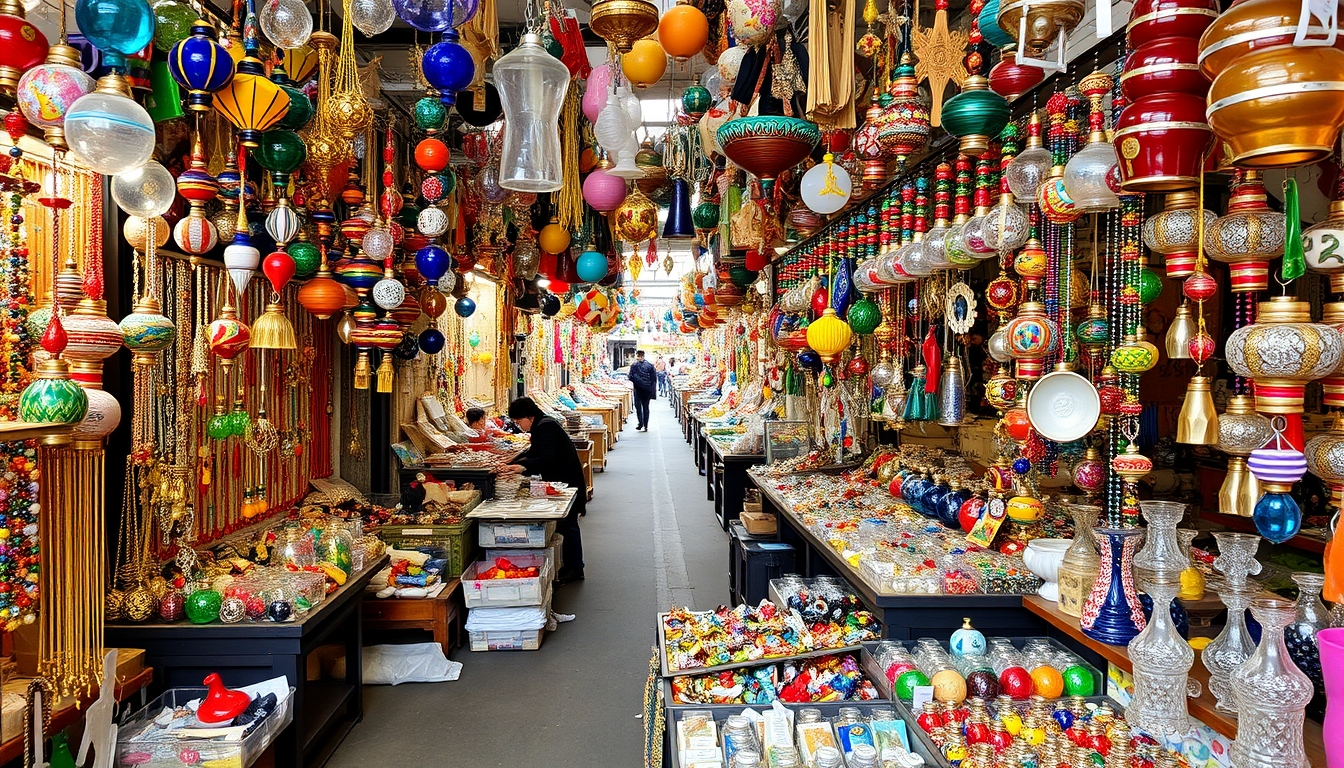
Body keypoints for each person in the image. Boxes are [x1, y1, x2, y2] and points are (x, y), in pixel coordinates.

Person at [502, 397, 585, 584]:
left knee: (568, 524)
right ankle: (572, 565)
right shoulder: (542, 425)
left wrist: (523, 467)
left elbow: (547, 457)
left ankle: (576, 568)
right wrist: (516, 462)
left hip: (566, 481)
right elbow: (535, 453)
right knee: (566, 524)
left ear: (529, 417)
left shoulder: (545, 427)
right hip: (563, 479)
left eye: (519, 422)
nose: (519, 426)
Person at [628, 350, 657, 431]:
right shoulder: (650, 365)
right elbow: (654, 378)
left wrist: (637, 382)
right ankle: (646, 425)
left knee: (638, 407)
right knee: (646, 407)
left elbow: (630, 377)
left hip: (638, 390)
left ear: (637, 355)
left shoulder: (634, 365)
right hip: (647, 390)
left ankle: (640, 423)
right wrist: (652, 390)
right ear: (643, 355)